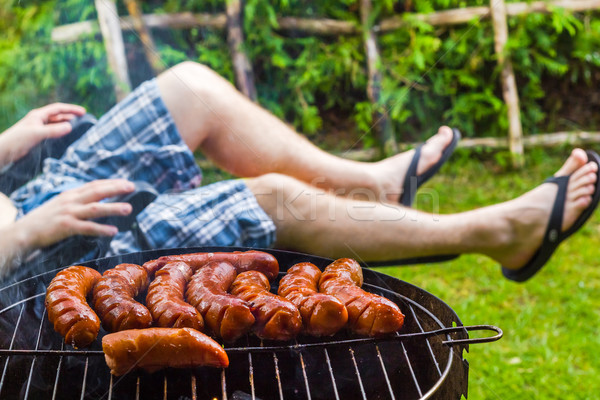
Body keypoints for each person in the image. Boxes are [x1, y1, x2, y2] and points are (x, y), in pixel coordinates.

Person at [0, 61, 598, 283]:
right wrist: (23, 233)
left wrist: (6, 147)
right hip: (34, 259)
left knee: (192, 89)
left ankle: (369, 184)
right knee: (276, 202)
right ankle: (495, 235)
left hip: (28, 191)